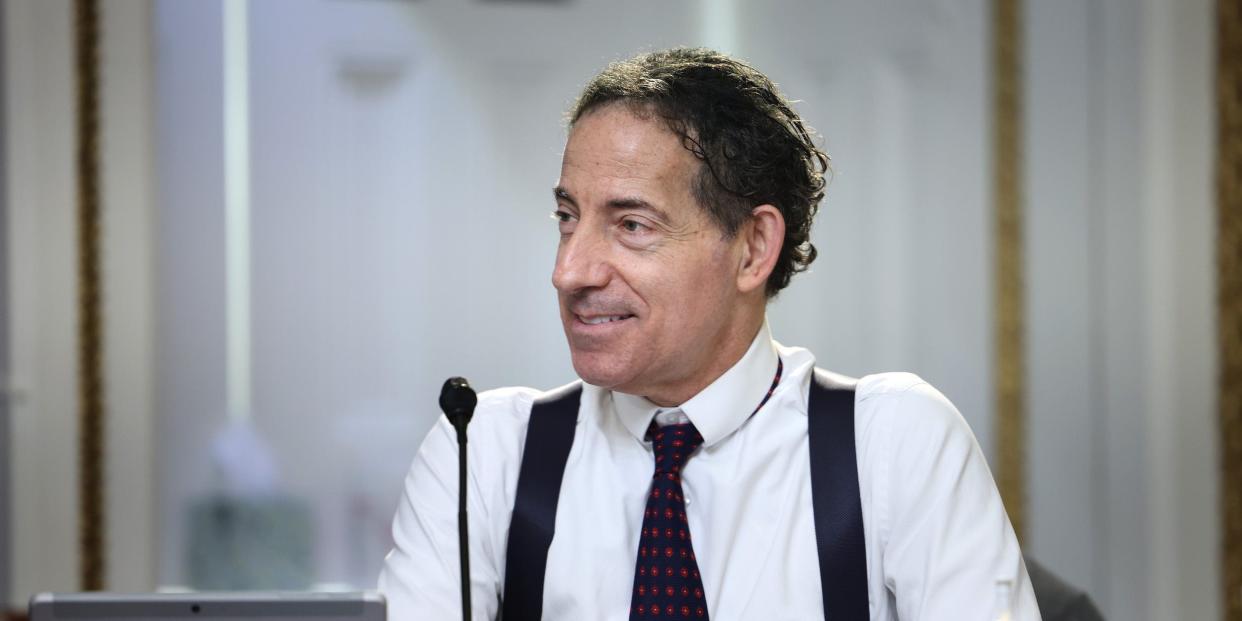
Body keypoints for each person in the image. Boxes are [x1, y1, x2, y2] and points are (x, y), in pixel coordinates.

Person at [379, 48, 1041, 620]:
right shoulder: (485, 453)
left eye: (631, 225)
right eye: (567, 216)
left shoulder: (894, 446)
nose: (568, 270)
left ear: (753, 248)